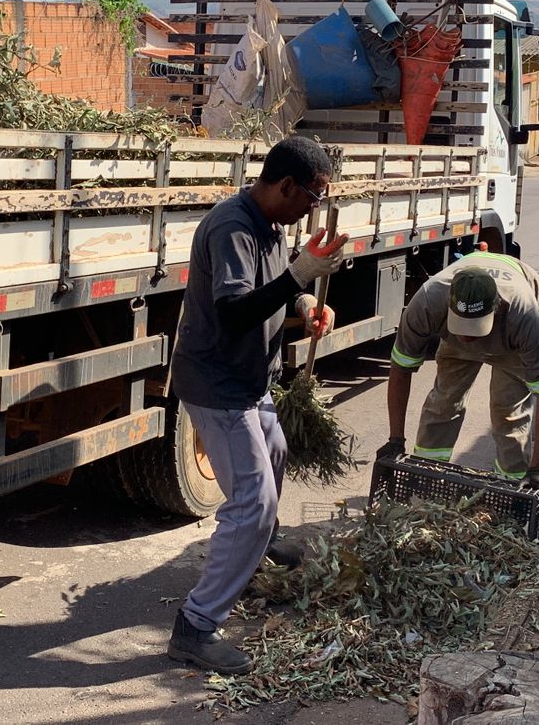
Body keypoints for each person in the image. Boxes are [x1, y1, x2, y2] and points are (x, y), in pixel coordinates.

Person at [165, 134, 348, 675]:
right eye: (312, 197)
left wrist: (305, 297)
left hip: (250, 382)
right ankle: (196, 626)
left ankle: (258, 548)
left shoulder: (268, 225)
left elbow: (277, 289)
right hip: (218, 387)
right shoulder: (232, 228)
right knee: (252, 500)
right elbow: (234, 313)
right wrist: (300, 274)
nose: (313, 208)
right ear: (287, 185)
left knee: (276, 450)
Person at [377, 252, 539, 503]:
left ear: (497, 308)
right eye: (462, 326)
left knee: (509, 411)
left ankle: (511, 495)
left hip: (510, 338)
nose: (467, 338)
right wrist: (395, 440)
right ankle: (427, 484)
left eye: (474, 328)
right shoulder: (428, 301)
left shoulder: (524, 316)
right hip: (456, 325)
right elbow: (400, 367)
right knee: (443, 403)